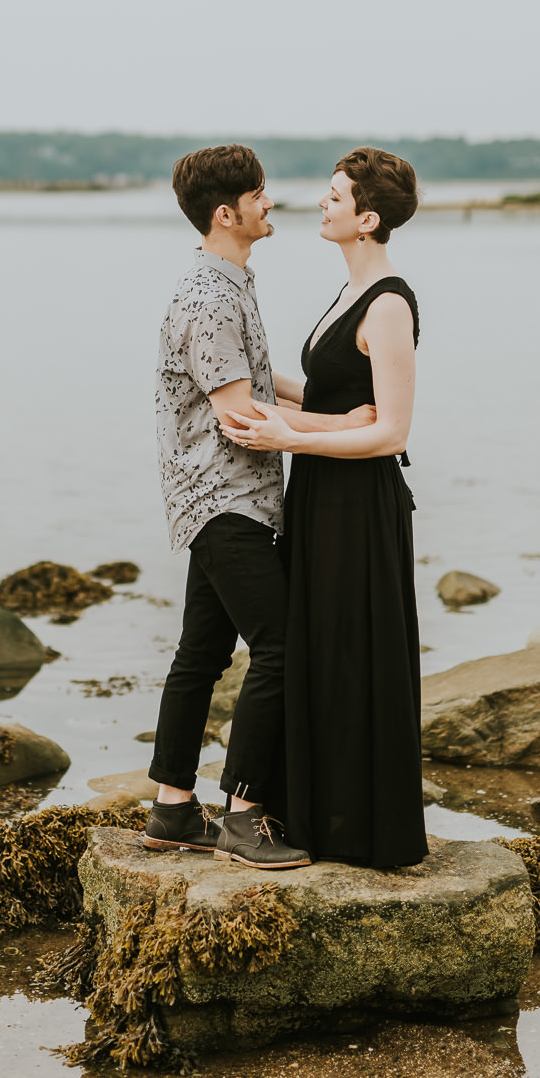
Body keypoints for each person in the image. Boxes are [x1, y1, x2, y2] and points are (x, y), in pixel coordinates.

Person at [144, 144, 379, 870]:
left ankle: (173, 807)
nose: (271, 201)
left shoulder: (229, 282)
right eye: (259, 194)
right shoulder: (211, 297)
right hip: (224, 500)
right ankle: (245, 815)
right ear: (228, 213)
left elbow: (250, 378)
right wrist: (345, 428)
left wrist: (323, 400)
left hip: (220, 497)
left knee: (202, 654)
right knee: (281, 646)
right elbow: (240, 415)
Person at [220, 147, 428, 870]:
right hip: (319, 494)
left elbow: (392, 430)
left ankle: (360, 829)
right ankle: (310, 813)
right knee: (318, 649)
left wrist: (283, 435)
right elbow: (337, 401)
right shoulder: (346, 295)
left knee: (350, 655)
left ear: (368, 219)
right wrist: (240, 375)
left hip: (359, 505)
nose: (322, 202)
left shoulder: (390, 302)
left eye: (336, 196)